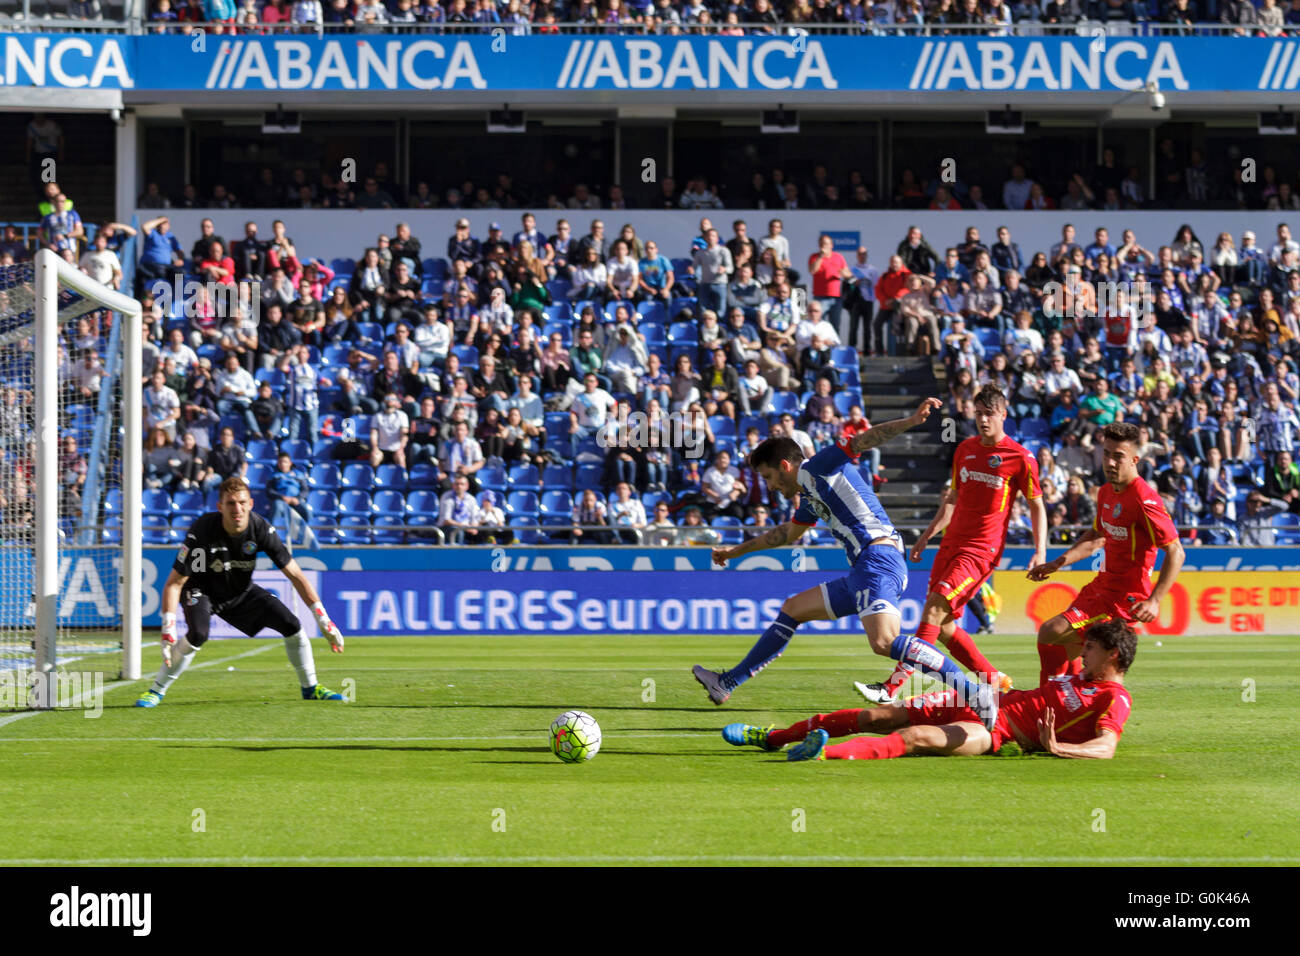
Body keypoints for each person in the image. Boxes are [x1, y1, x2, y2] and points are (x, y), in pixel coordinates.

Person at [692, 398, 1002, 733]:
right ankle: (726, 683)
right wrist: (733, 552)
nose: (769, 486)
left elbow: (864, 440)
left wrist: (911, 420)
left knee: (884, 642)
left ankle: (974, 693)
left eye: (768, 477)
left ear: (784, 465)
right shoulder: (811, 495)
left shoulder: (816, 468)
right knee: (793, 608)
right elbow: (787, 534)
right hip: (864, 568)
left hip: (877, 559)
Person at [856, 386, 1047, 705]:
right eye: (979, 413)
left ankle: (892, 688)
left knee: (932, 611)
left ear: (1003, 414)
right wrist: (927, 535)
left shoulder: (1021, 458)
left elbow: (1037, 505)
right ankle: (996, 684)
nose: (984, 420)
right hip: (950, 544)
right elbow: (953, 500)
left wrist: (1040, 550)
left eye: (990, 414)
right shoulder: (965, 450)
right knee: (944, 627)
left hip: (980, 551)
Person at [724, 619, 1135, 762]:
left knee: (915, 738)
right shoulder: (1080, 679)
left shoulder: (1113, 698)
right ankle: (773, 737)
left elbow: (1107, 746)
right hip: (983, 702)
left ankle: (819, 751)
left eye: (1092, 648)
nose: (1083, 652)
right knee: (877, 715)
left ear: (1113, 656)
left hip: (997, 733)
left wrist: (1060, 748)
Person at [134, 477, 346, 707]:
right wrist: (168, 628)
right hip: (201, 589)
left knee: (292, 625)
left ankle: (311, 688)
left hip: (240, 592)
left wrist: (323, 619)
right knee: (199, 634)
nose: (238, 509)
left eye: (242, 502)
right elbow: (174, 583)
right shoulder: (203, 530)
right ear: (220, 506)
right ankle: (156, 691)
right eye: (231, 503)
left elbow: (296, 575)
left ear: (251, 504)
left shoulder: (261, 528)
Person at [1028, 422, 1185, 685]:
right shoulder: (1105, 492)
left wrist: (1155, 600)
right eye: (1106, 453)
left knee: (1051, 632)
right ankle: (1064, 705)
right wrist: (1057, 563)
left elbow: (1176, 551)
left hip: (1123, 600)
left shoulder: (1144, 500)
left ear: (1135, 459)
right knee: (1070, 651)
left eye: (1118, 456)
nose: (1110, 462)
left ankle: (1049, 701)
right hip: (1099, 588)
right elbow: (1095, 538)